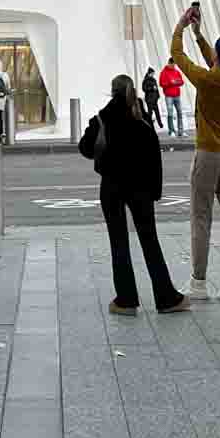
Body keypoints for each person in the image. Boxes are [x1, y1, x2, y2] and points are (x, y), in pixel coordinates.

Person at [80, 74, 187, 316]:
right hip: (141, 189)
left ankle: (126, 300)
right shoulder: (141, 118)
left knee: (118, 243)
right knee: (150, 241)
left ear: (112, 91)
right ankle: (166, 298)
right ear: (132, 90)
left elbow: (85, 148)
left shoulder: (103, 118)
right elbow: (154, 157)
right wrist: (155, 190)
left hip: (111, 187)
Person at [169, 1, 220, 303]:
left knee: (201, 218)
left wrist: (181, 26)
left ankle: (199, 283)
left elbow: (178, 55)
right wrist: (200, 35)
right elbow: (216, 60)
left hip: (209, 153)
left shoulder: (207, 80)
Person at [158, 59, 186, 137]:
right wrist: (170, 82)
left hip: (177, 95)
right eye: (173, 65)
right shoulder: (163, 73)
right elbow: (161, 83)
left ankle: (181, 131)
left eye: (175, 65)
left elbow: (181, 81)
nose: (174, 66)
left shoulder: (176, 72)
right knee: (170, 113)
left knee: (179, 112)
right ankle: (171, 131)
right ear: (169, 63)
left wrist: (176, 82)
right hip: (169, 96)